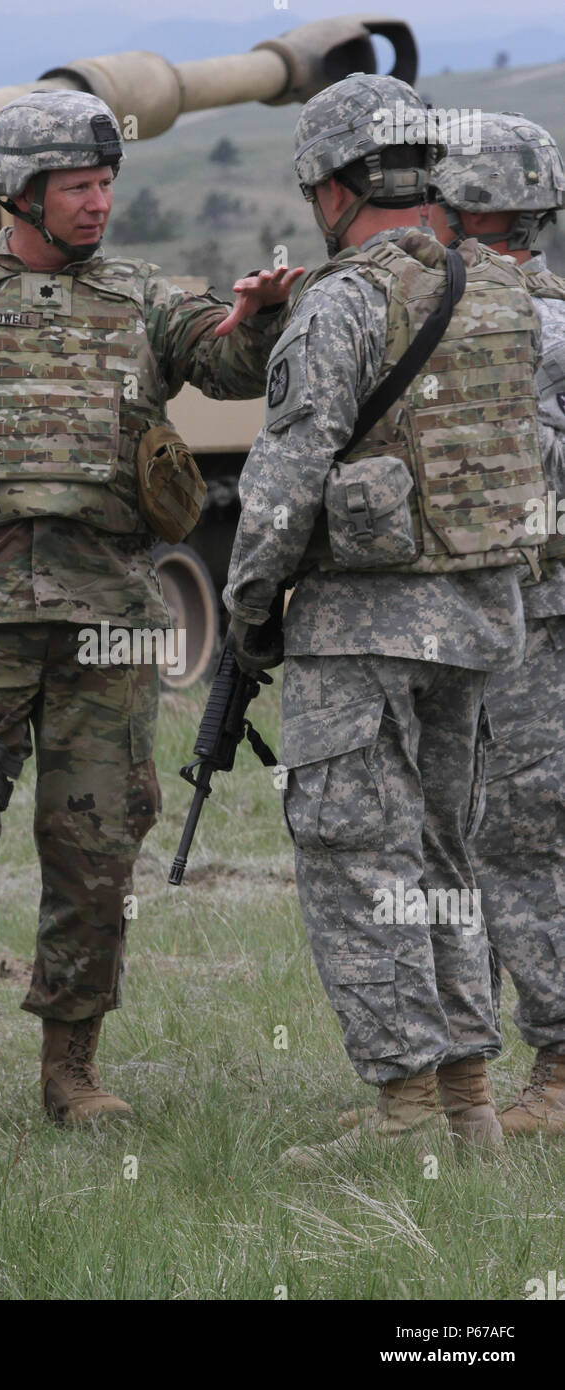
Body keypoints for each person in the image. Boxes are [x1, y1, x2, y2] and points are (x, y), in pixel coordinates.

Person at [0, 89, 301, 1132]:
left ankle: (71, 1073)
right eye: (77, 186)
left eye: (105, 182)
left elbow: (223, 363)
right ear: (18, 196)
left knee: (94, 850)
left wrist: (258, 320)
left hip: (108, 624)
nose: (99, 202)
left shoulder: (140, 298)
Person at [223, 73, 556, 1167]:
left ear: (334, 186)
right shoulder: (502, 297)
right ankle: (467, 1107)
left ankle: (405, 1117)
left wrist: (247, 610)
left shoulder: (344, 300)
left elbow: (284, 476)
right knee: (441, 856)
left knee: (356, 862)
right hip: (479, 621)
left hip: (358, 631)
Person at [426, 112, 565, 1134]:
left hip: (530, 617)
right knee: (463, 841)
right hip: (486, 614)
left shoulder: (527, 330)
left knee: (512, 841)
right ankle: (450, 1082)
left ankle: (556, 1073)